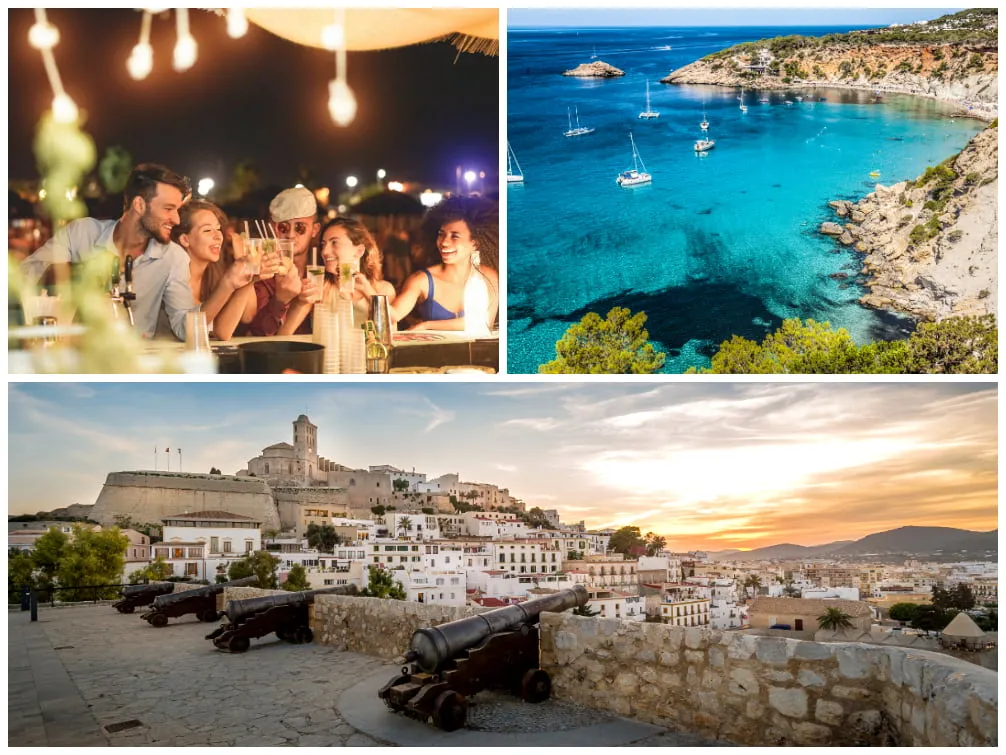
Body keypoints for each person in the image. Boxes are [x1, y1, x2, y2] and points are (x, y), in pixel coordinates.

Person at [21, 163, 194, 340]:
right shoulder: (81, 233)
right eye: (169, 209)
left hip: (133, 361)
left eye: (177, 210)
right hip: (75, 356)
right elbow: (25, 277)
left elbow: (184, 328)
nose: (177, 219)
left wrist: (225, 285)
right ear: (139, 205)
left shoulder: (174, 257)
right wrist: (79, 273)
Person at [390, 195, 498, 332]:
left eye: (454, 236)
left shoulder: (489, 278)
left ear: (475, 243)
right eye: (441, 234)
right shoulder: (422, 280)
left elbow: (484, 323)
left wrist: (427, 325)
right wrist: (368, 291)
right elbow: (394, 314)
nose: (444, 242)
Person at [279, 216, 396, 334]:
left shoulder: (383, 289)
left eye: (334, 243)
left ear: (359, 251)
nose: (325, 252)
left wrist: (368, 291)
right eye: (323, 245)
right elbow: (283, 335)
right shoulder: (318, 289)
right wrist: (300, 302)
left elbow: (391, 328)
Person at [170, 200, 258, 340]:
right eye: (207, 230)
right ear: (185, 240)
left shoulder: (215, 276)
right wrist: (228, 284)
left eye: (218, 229)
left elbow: (243, 319)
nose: (218, 236)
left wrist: (248, 268)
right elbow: (189, 332)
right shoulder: (172, 279)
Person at [247, 186, 320, 336]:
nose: (291, 235)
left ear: (314, 230)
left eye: (300, 228)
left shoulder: (321, 269)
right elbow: (257, 334)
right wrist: (279, 301)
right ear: (274, 230)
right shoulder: (263, 272)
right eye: (283, 227)